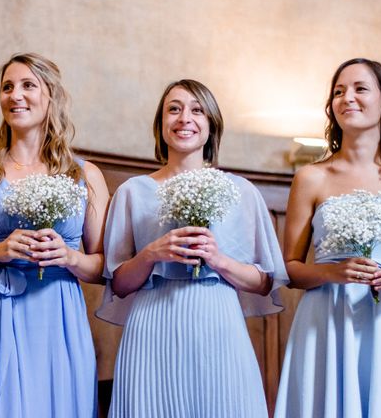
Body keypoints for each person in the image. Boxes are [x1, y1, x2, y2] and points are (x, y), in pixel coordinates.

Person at [96, 79, 287, 417]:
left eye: (197, 110)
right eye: (174, 109)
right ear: (161, 125)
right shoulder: (133, 191)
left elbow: (264, 282)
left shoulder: (241, 191)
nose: (185, 118)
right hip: (152, 327)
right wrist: (153, 253)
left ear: (211, 125)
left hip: (218, 325)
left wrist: (219, 260)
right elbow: (120, 285)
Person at [0, 52, 110, 417]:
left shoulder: (85, 176)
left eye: (28, 85)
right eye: (7, 87)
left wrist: (69, 257)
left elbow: (105, 267)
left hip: (57, 316)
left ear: (51, 96)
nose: (16, 95)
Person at [275, 58, 381, 417]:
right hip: (328, 320)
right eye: (338, 91)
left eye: (360, 88)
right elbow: (289, 268)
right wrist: (332, 273)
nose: (347, 97)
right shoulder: (311, 178)